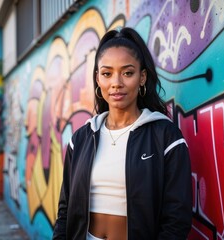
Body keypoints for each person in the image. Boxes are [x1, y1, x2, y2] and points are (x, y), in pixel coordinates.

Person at [53, 27, 192, 240]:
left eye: (127, 73)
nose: (116, 83)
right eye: (107, 73)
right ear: (98, 79)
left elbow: (177, 217)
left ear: (142, 77)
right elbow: (66, 210)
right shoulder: (81, 139)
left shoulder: (166, 137)